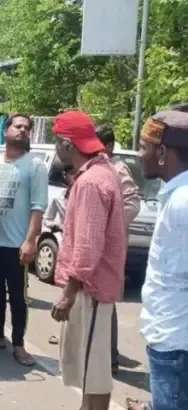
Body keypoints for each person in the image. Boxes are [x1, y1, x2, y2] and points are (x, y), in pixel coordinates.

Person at [45, 110, 127, 410]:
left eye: (56, 141)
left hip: (91, 286)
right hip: (92, 284)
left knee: (94, 362)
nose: (56, 148)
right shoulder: (97, 173)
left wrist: (68, 293)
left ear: (67, 143)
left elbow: (88, 246)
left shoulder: (92, 182)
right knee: (85, 355)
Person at [0, 113, 48, 367]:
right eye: (18, 126)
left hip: (17, 244)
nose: (22, 130)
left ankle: (19, 345)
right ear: (6, 131)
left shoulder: (34, 165)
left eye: (27, 128)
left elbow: (38, 207)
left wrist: (31, 241)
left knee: (17, 297)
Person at [136, 108, 188, 410]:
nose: (140, 154)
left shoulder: (183, 203)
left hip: (175, 348)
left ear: (162, 152)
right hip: (172, 341)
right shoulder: (177, 196)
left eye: (144, 147)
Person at [96, 124, 141, 373]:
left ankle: (110, 358)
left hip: (109, 245)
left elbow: (133, 203)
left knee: (106, 299)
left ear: (110, 146)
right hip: (93, 244)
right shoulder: (94, 167)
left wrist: (111, 225)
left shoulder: (118, 168)